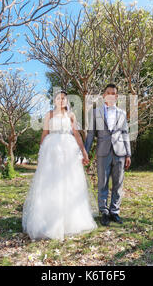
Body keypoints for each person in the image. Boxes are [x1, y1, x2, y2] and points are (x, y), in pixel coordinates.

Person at [22, 90, 98, 241]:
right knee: (51, 182)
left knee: (69, 182)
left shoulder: (71, 115)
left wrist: (83, 152)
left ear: (66, 101)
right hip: (52, 149)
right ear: (54, 100)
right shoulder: (49, 115)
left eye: (63, 98)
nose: (61, 100)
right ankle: (48, 221)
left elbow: (76, 134)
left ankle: (70, 221)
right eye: (58, 98)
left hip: (68, 148)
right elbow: (44, 133)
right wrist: (41, 151)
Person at [84, 84, 131, 226]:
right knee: (102, 183)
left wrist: (128, 154)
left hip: (120, 152)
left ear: (116, 97)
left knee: (118, 184)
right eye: (108, 92)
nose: (110, 95)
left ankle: (114, 211)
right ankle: (104, 212)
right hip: (103, 151)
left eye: (114, 93)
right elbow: (91, 134)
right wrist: (85, 152)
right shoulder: (95, 112)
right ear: (104, 95)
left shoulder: (122, 114)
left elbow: (125, 133)